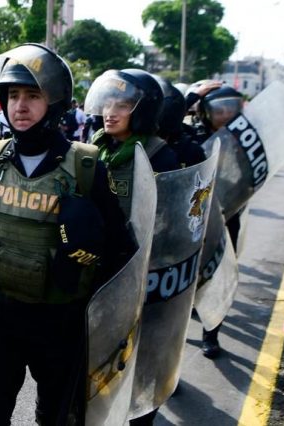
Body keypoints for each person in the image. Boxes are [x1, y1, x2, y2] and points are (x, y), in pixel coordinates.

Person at [0, 43, 134, 425]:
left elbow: (120, 251)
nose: (20, 106)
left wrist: (106, 318)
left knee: (58, 416)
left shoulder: (85, 166)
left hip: (60, 320)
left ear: (56, 101)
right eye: (13, 95)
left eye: (32, 95)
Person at [188, 83, 244, 359]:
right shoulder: (192, 137)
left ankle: (211, 335)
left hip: (227, 217)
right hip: (192, 221)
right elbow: (163, 121)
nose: (225, 115)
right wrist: (192, 97)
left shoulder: (241, 140)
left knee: (218, 275)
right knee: (188, 278)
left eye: (230, 108)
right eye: (218, 109)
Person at [86, 69, 180, 217]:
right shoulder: (92, 148)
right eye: (107, 104)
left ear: (143, 111)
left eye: (122, 106)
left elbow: (167, 214)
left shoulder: (158, 155)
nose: (110, 113)